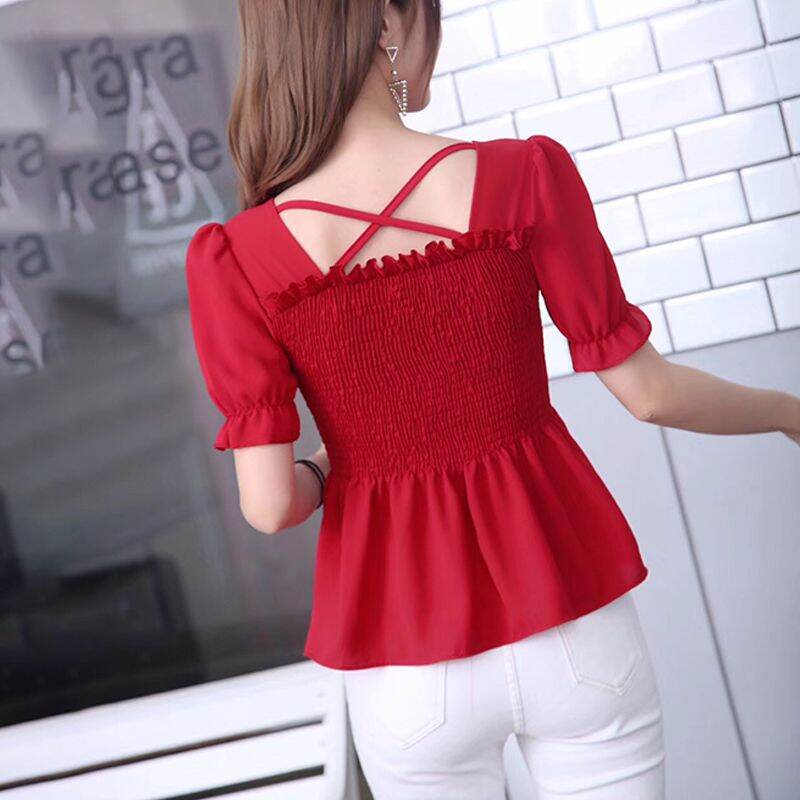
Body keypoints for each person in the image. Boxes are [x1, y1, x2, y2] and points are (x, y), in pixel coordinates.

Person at [184, 1, 800, 797]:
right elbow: (650, 395)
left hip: (405, 658)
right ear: (387, 22)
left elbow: (271, 507)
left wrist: (335, 461)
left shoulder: (235, 259)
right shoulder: (523, 175)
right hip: (567, 616)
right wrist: (787, 410)